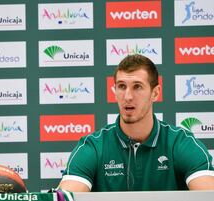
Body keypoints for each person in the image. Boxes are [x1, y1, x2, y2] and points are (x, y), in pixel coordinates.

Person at [59, 54, 214, 191]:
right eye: (121, 86)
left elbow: (209, 195)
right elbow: (66, 197)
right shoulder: (94, 146)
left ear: (155, 93)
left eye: (137, 87)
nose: (128, 96)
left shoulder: (180, 142)